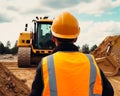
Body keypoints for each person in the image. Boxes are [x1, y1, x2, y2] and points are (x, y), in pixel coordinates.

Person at [29, 11, 114, 96]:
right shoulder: (90, 62)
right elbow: (109, 92)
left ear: (53, 38)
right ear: (76, 38)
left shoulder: (45, 64)